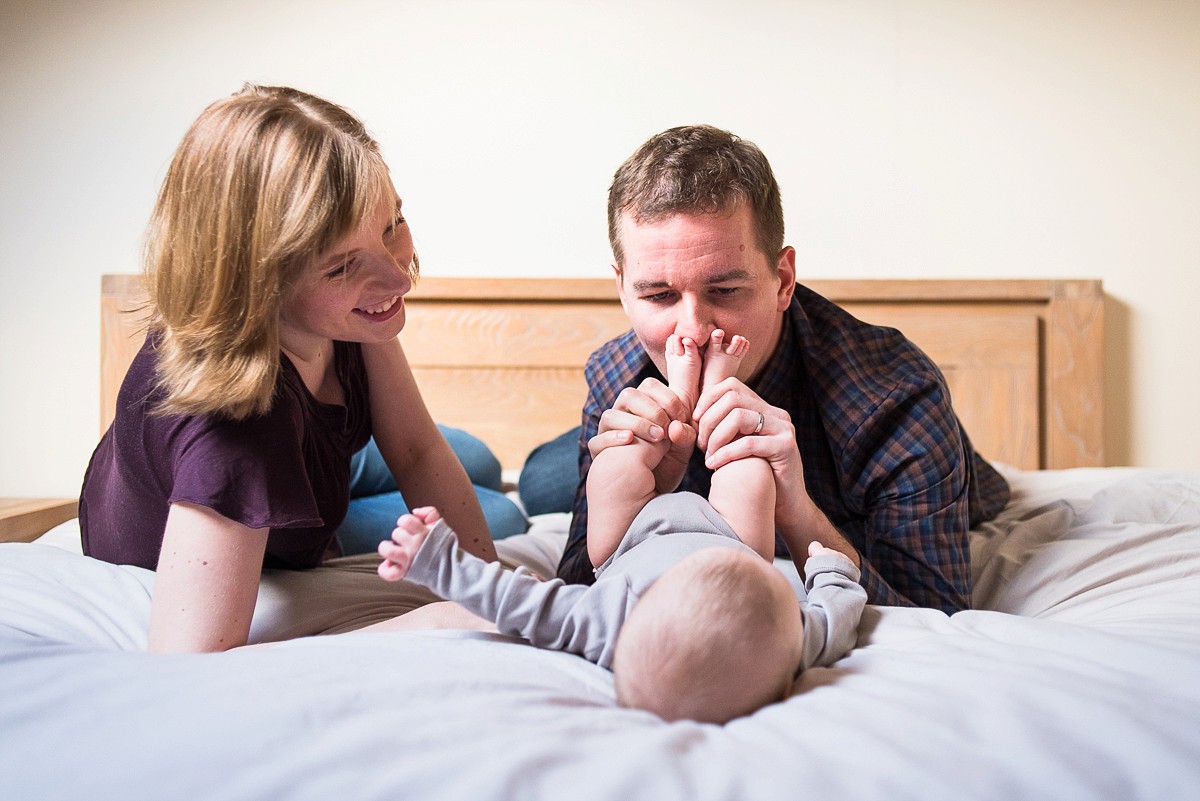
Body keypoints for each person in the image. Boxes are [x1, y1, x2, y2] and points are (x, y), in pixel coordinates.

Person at [79, 84, 502, 653]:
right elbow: (187, 659)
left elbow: (416, 449)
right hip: (247, 513)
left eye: (392, 223)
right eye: (341, 267)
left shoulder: (342, 312)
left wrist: (492, 590)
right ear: (259, 286)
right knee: (506, 514)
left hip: (311, 479)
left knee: (479, 460)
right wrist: (435, 622)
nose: (398, 281)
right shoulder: (233, 434)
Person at [550, 124, 1010, 614]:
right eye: (658, 296)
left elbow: (936, 614)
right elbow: (577, 583)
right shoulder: (613, 372)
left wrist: (796, 509)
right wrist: (644, 501)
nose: (693, 332)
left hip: (946, 472)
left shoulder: (895, 394)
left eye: (725, 291)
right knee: (539, 483)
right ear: (622, 288)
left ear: (783, 281)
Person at [378, 331, 865, 723]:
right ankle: (715, 393)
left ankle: (679, 394)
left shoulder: (608, 620)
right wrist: (829, 570)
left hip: (632, 536)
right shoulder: (786, 640)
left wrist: (438, 562)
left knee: (615, 465)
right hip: (731, 536)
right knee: (750, 470)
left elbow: (511, 600)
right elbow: (836, 614)